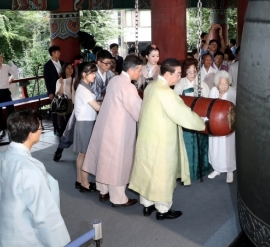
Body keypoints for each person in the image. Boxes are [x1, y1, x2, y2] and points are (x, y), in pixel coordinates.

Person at [129, 58, 205, 220]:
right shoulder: (166, 93)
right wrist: (201, 123)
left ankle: (147, 205)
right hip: (162, 140)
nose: (179, 77)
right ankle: (163, 210)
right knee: (163, 174)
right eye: (178, 74)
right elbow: (183, 114)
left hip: (147, 137)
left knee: (148, 171)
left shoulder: (151, 86)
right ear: (168, 73)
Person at [0, 110, 71, 247]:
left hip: (2, 232)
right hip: (24, 237)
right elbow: (44, 215)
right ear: (30, 134)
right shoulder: (30, 169)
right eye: (40, 128)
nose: (41, 130)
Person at [83, 55, 143, 207]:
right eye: (139, 70)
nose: (140, 73)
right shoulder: (128, 87)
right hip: (118, 128)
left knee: (105, 157)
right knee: (117, 162)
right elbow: (138, 111)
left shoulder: (115, 79)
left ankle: (103, 190)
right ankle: (118, 198)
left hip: (106, 124)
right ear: (131, 69)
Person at [174, 58, 212, 180]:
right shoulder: (180, 83)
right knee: (186, 146)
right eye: (190, 72)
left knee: (200, 144)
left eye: (195, 72)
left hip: (199, 118)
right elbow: (175, 101)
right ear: (185, 71)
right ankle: (186, 171)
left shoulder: (203, 84)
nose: (192, 75)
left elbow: (208, 101)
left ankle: (200, 169)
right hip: (185, 119)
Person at [74, 62, 101, 192]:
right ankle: (85, 183)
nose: (94, 75)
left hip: (84, 122)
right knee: (85, 155)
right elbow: (97, 107)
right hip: (85, 123)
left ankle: (80, 180)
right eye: (92, 73)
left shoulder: (83, 87)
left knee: (82, 154)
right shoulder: (84, 89)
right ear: (84, 74)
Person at [208, 71, 237, 183]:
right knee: (216, 145)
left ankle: (229, 171)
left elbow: (235, 110)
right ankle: (217, 168)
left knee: (228, 147)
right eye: (221, 84)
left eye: (226, 84)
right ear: (217, 83)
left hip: (228, 125)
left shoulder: (232, 93)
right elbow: (210, 106)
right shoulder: (213, 91)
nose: (224, 86)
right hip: (215, 124)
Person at [43, 45, 64, 137]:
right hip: (53, 90)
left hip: (63, 89)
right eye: (57, 52)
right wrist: (50, 92)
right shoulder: (47, 65)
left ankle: (63, 127)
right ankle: (56, 128)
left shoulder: (62, 63)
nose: (59, 53)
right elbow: (47, 80)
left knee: (64, 107)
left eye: (59, 52)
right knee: (55, 110)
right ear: (52, 53)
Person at [55, 62, 75, 137]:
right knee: (64, 122)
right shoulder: (60, 80)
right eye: (68, 68)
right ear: (64, 69)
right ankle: (63, 138)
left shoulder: (75, 79)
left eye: (71, 68)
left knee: (72, 122)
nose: (70, 70)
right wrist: (62, 84)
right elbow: (59, 94)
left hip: (73, 103)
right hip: (65, 103)